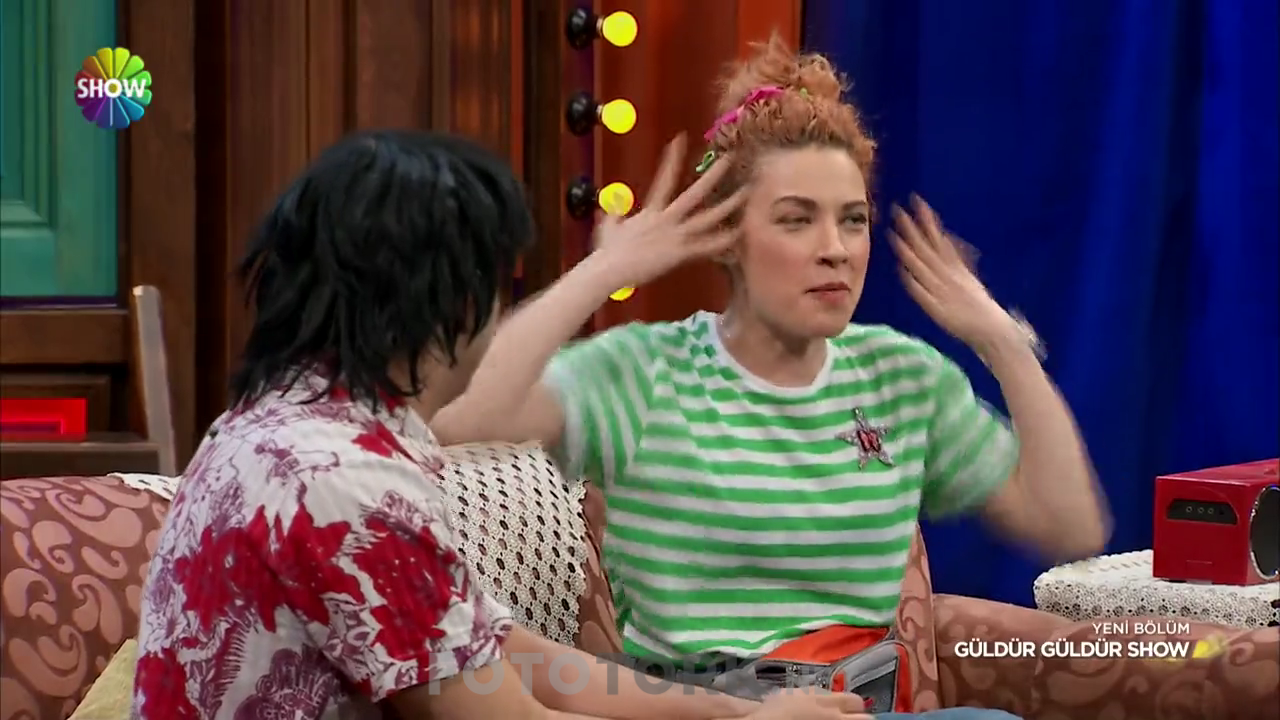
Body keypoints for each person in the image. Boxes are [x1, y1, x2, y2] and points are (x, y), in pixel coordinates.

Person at [431, 38, 1110, 718]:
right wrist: (602, 272)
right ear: (730, 236)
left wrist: (1001, 342)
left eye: (853, 221)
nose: (835, 250)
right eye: (797, 220)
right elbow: (459, 416)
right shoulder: (644, 371)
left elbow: (1070, 525)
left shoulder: (903, 377)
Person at [131, 130, 868, 719]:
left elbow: (507, 655)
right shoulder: (348, 485)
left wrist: (736, 711)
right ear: (454, 300)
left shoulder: (279, 423)